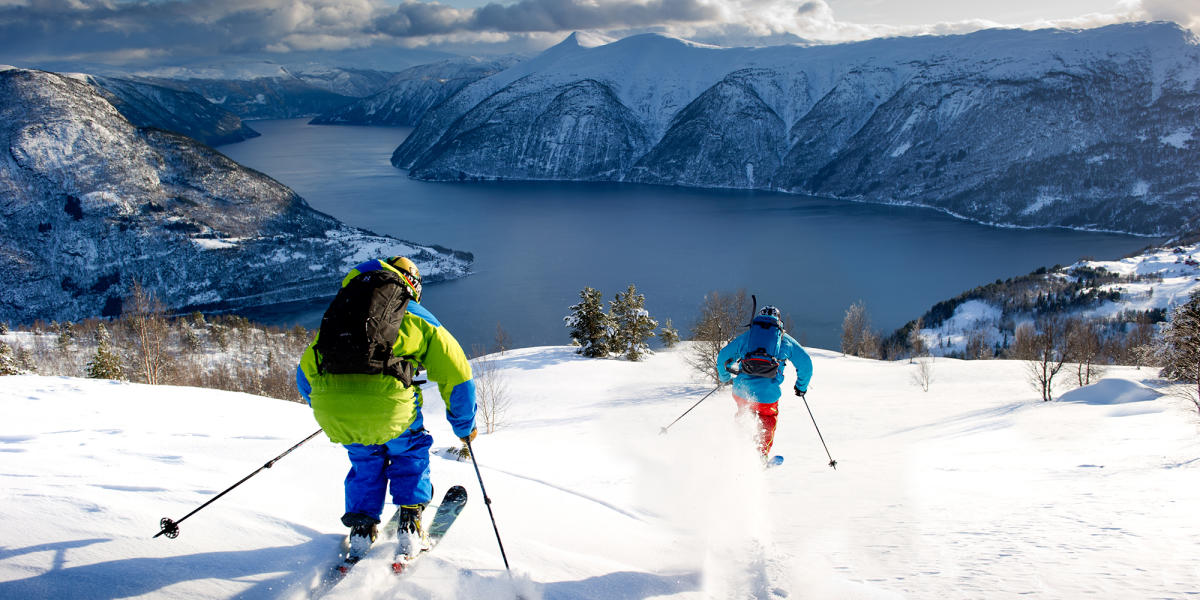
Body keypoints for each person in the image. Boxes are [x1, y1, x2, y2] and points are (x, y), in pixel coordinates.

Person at [296, 256, 477, 559]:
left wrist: (335, 407)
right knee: (409, 452)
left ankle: (361, 528)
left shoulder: (342, 312)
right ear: (413, 285)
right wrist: (464, 426)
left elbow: (305, 375)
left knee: (365, 460)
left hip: (335, 410)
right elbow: (457, 374)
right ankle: (409, 521)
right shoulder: (416, 315)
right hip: (391, 409)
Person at [716, 305, 813, 460]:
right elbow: (806, 364)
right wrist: (801, 387)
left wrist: (725, 378)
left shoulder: (748, 337)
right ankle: (760, 455)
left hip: (741, 391)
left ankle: (737, 449)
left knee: (744, 413)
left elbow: (722, 358)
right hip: (767, 396)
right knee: (767, 418)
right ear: (779, 321)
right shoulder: (785, 340)